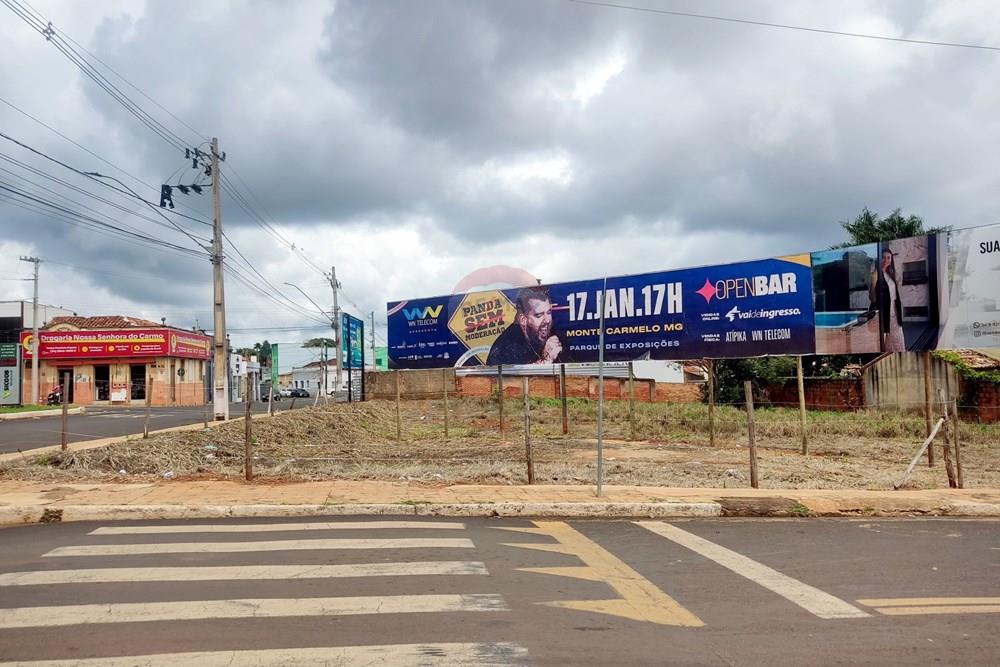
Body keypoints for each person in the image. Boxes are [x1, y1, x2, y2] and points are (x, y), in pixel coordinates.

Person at [486, 286, 563, 365]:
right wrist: (545, 360)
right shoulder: (504, 349)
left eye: (549, 312)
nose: (547, 320)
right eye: (539, 315)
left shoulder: (545, 331)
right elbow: (509, 377)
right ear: (523, 320)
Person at [869, 247, 906, 352]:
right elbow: (872, 298)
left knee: (898, 342)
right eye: (883, 257)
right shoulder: (876, 274)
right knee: (883, 343)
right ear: (879, 259)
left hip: (894, 312)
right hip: (883, 314)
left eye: (888, 258)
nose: (886, 260)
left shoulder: (891, 273)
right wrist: (873, 282)